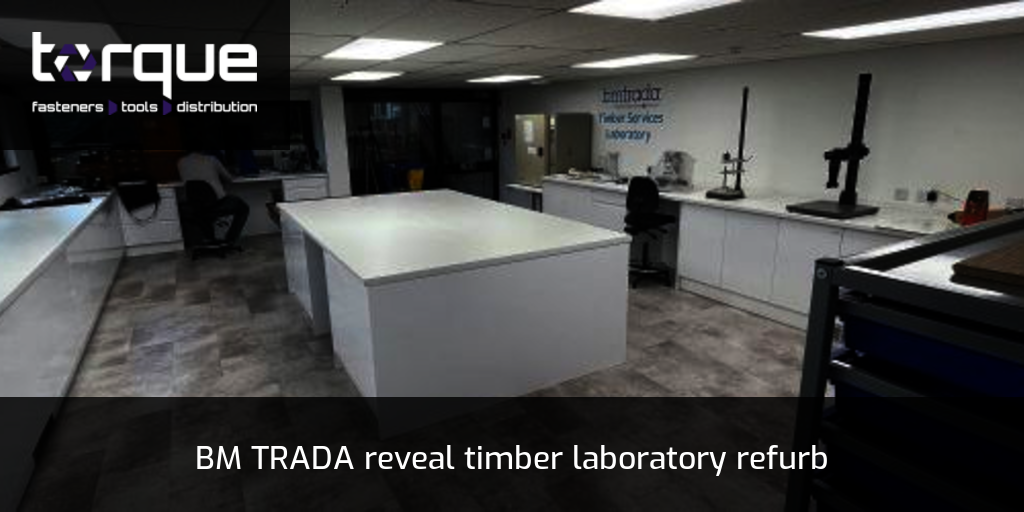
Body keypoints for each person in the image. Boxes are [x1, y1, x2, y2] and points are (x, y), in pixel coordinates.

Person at [178, 150, 249, 245]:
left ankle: (209, 239)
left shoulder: (181, 162)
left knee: (200, 211)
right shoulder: (212, 160)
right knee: (243, 208)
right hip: (216, 204)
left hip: (195, 205)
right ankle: (230, 240)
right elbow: (229, 178)